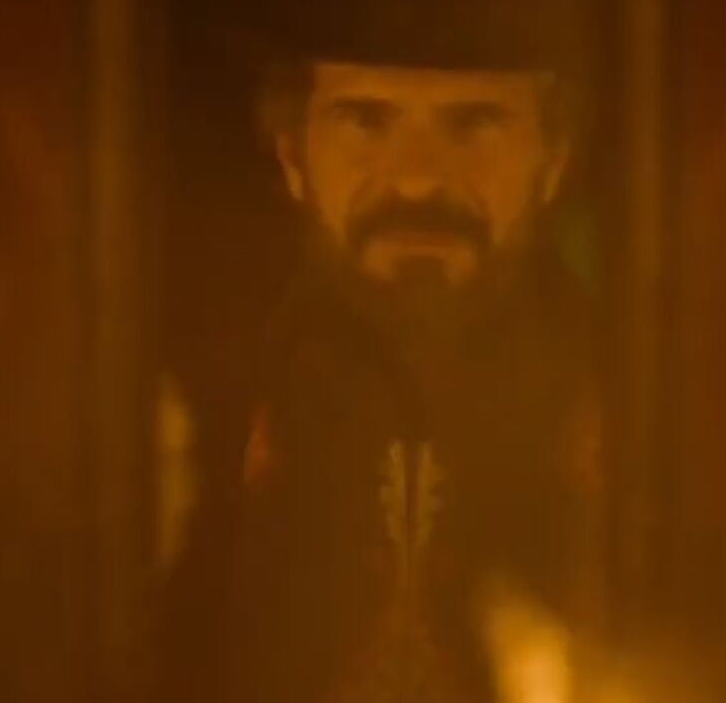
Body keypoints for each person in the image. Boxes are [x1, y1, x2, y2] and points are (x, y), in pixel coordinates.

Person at [162, 48, 604, 703]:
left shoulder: (642, 404)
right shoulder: (197, 403)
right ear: (292, 152)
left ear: (554, 158)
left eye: (475, 123)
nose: (418, 181)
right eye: (365, 120)